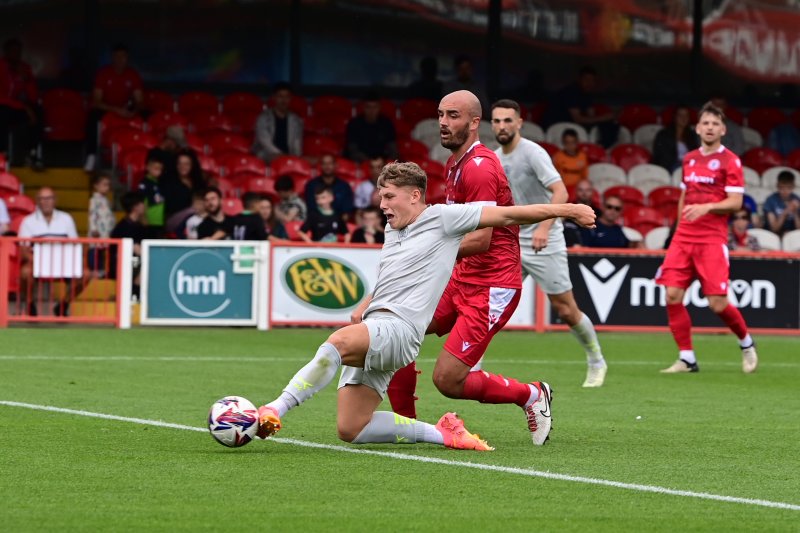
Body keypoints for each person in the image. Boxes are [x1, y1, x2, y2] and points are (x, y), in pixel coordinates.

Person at [254, 161, 596, 450]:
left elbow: (509, 215)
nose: (382, 204)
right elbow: (394, 277)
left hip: (399, 330)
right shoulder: (393, 228)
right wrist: (368, 302)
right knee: (352, 429)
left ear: (415, 195)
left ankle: (275, 408)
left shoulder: (443, 218)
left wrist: (568, 210)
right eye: (380, 197)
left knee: (338, 343)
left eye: (389, 196)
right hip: (379, 327)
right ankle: (443, 434)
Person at [381, 91, 550, 445]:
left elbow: (482, 239)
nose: (443, 122)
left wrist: (424, 250)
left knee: (448, 381)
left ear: (474, 123)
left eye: (453, 115)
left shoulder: (480, 168)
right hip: (461, 278)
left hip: (492, 286)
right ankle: (407, 428)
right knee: (395, 329)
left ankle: (532, 395)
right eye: (440, 114)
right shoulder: (456, 163)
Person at [492, 99, 608, 387]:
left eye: (508, 120)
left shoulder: (533, 153)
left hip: (546, 239)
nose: (502, 126)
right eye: (497, 121)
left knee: (566, 309)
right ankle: (470, 365)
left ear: (519, 123)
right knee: (489, 306)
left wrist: (545, 227)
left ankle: (596, 359)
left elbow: (561, 192)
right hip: (513, 241)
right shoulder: (494, 158)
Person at [655, 101, 758, 374]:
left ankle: (746, 342)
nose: (710, 128)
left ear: (722, 129)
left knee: (717, 303)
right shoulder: (689, 159)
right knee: (673, 295)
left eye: (715, 124)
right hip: (684, 238)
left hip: (712, 238)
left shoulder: (731, 160)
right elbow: (684, 197)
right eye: (706, 123)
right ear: (698, 128)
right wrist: (676, 230)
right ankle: (687, 358)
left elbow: (735, 202)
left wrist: (707, 207)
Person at [18, 187, 87, 316]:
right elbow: (24, 249)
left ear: (55, 200)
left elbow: (75, 243)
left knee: (86, 274)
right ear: (37, 201)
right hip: (37, 262)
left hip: (63, 262)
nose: (46, 202)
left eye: (49, 198)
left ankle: (63, 304)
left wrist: (78, 262)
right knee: (26, 272)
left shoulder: (67, 219)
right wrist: (38, 261)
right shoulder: (28, 221)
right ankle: (29, 304)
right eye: (42, 199)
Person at [84, 44, 144, 171]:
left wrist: (133, 111)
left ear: (127, 59)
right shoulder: (103, 74)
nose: (120, 60)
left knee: (147, 117)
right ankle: (91, 156)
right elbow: (96, 101)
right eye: (117, 57)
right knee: (93, 118)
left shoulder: (132, 74)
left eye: (123, 57)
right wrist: (116, 110)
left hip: (126, 111)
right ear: (112, 58)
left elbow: (139, 100)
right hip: (106, 110)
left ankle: (142, 157)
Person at [544, 66, 618, 148]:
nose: (589, 83)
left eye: (592, 80)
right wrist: (603, 118)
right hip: (558, 127)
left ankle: (602, 147)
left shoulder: (587, 95)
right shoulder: (571, 92)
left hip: (576, 128)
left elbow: (591, 116)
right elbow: (578, 119)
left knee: (609, 125)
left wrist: (607, 118)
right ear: (579, 79)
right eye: (586, 80)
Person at [0, 38, 43, 169]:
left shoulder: (24, 68)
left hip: (16, 107)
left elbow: (33, 96)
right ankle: (2, 154)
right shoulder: (1, 66)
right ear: (6, 52)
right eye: (12, 51)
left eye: (18, 52)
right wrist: (24, 107)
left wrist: (26, 79)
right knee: (2, 113)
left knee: (38, 112)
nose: (16, 54)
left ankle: (32, 154)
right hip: (4, 106)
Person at [252, 82, 303, 162]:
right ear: (274, 97)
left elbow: (297, 144)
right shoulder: (264, 118)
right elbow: (265, 143)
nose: (284, 100)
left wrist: (296, 158)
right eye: (280, 96)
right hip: (267, 155)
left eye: (287, 97)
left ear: (290, 98)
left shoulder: (296, 120)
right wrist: (283, 156)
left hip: (289, 156)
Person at [109, 192, 146, 298]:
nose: (144, 206)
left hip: (133, 263)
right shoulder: (125, 227)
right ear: (135, 207)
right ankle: (132, 297)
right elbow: (138, 250)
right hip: (121, 265)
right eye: (142, 203)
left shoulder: (137, 225)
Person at [344, 92, 398, 163]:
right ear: (364, 107)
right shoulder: (354, 124)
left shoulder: (386, 123)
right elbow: (352, 150)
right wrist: (369, 162)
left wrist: (384, 162)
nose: (371, 111)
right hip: (360, 162)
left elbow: (392, 148)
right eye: (368, 107)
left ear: (379, 107)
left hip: (381, 162)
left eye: (374, 107)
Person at [161, 148, 206, 222]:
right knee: (193, 209)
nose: (182, 166)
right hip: (173, 219)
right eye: (179, 163)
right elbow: (170, 207)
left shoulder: (198, 182)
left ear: (192, 165)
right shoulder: (169, 182)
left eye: (186, 164)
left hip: (196, 218)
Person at [652, 105, 699, 172]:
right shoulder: (664, 134)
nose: (683, 118)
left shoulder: (691, 135)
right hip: (670, 167)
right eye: (680, 115)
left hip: (689, 165)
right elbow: (662, 157)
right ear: (675, 117)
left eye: (686, 115)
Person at [87, 174, 115, 272]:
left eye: (108, 185)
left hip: (105, 233)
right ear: (96, 186)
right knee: (95, 253)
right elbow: (92, 214)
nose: (107, 187)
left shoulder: (106, 200)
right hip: (97, 234)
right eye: (104, 185)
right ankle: (94, 271)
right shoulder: (94, 200)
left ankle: (101, 272)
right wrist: (94, 229)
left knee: (103, 254)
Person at [763, 170, 800, 236]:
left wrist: (795, 213)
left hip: (793, 234)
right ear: (777, 186)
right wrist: (786, 212)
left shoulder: (797, 199)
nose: (785, 191)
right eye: (782, 188)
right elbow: (774, 228)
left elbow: (798, 229)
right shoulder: (771, 200)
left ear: (793, 187)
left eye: (789, 188)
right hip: (774, 235)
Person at [137, 154, 165, 235]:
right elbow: (141, 201)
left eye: (160, 169)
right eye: (155, 168)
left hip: (159, 221)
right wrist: (143, 217)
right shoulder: (145, 183)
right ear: (148, 167)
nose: (158, 171)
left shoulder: (159, 182)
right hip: (149, 220)